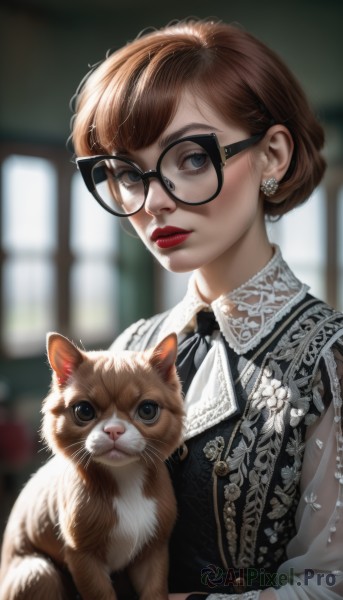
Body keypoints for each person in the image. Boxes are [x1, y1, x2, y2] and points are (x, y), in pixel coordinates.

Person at [71, 18, 343, 599]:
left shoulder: (329, 359)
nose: (155, 202)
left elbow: (330, 583)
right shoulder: (129, 346)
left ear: (272, 154)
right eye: (125, 173)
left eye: (191, 158)